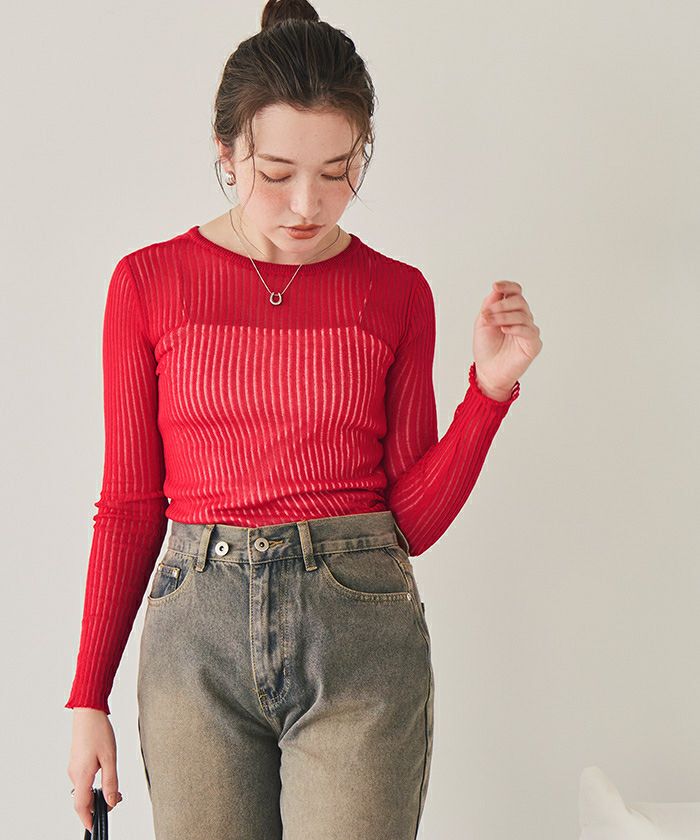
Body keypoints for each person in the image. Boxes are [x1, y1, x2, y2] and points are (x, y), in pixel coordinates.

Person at [65, 0, 543, 837]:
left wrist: (489, 392)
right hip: (195, 643)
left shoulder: (396, 294)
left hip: (359, 634)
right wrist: (86, 697)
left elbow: (410, 522)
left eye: (336, 171)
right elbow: (132, 506)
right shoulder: (148, 284)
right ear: (227, 151)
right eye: (277, 171)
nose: (306, 203)